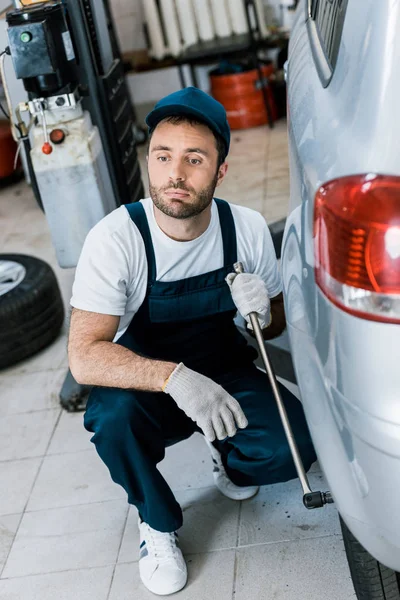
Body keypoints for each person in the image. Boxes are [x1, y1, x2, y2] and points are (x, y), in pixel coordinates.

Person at [68, 87, 316, 596]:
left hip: (224, 370)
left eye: (194, 159)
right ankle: (156, 524)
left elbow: (270, 329)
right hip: (147, 381)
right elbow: (84, 356)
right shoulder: (118, 239)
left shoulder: (242, 229)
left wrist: (259, 315)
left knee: (292, 449)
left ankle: (224, 451)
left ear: (220, 171)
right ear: (149, 162)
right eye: (162, 156)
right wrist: (172, 378)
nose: (175, 174)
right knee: (112, 422)